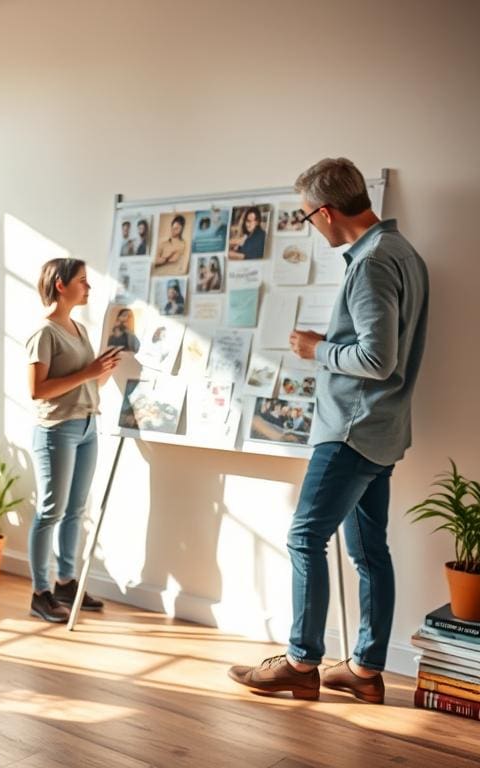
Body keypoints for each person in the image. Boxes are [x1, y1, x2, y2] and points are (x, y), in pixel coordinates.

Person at [228, 157, 429, 704]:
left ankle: (300, 662)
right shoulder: (404, 253)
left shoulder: (371, 263)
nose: (308, 225)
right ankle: (364, 671)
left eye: (306, 216)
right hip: (381, 430)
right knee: (369, 552)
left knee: (304, 537)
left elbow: (377, 357)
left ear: (326, 211)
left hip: (351, 429)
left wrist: (317, 349)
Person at [25, 258, 120, 622]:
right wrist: (89, 371)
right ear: (61, 285)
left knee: (76, 510)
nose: (89, 287)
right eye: (82, 280)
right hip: (56, 430)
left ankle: (65, 581)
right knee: (50, 511)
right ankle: (40, 592)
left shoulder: (78, 329)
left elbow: (86, 382)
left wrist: (102, 372)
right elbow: (37, 390)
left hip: (86, 427)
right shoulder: (45, 333)